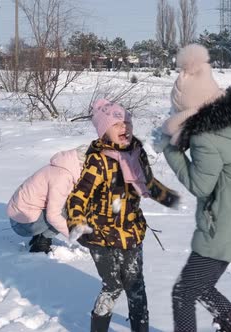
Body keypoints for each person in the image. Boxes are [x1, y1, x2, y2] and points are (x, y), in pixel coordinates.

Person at [160, 44, 231, 332]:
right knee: (203, 285)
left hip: (225, 226)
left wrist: (170, 150)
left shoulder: (206, 136)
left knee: (183, 292)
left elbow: (200, 185)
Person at [67, 98, 179, 332]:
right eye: (117, 124)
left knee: (136, 286)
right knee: (113, 286)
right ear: (104, 130)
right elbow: (79, 196)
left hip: (131, 233)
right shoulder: (98, 160)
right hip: (101, 236)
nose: (125, 128)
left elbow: (147, 183)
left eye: (127, 122)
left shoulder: (136, 155)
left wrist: (171, 199)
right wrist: (77, 221)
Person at [7, 146, 87, 253]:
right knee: (70, 209)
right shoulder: (62, 177)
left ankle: (39, 236)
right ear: (82, 164)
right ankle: (42, 242)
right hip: (23, 225)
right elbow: (53, 216)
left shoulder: (62, 167)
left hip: (20, 219)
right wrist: (80, 237)